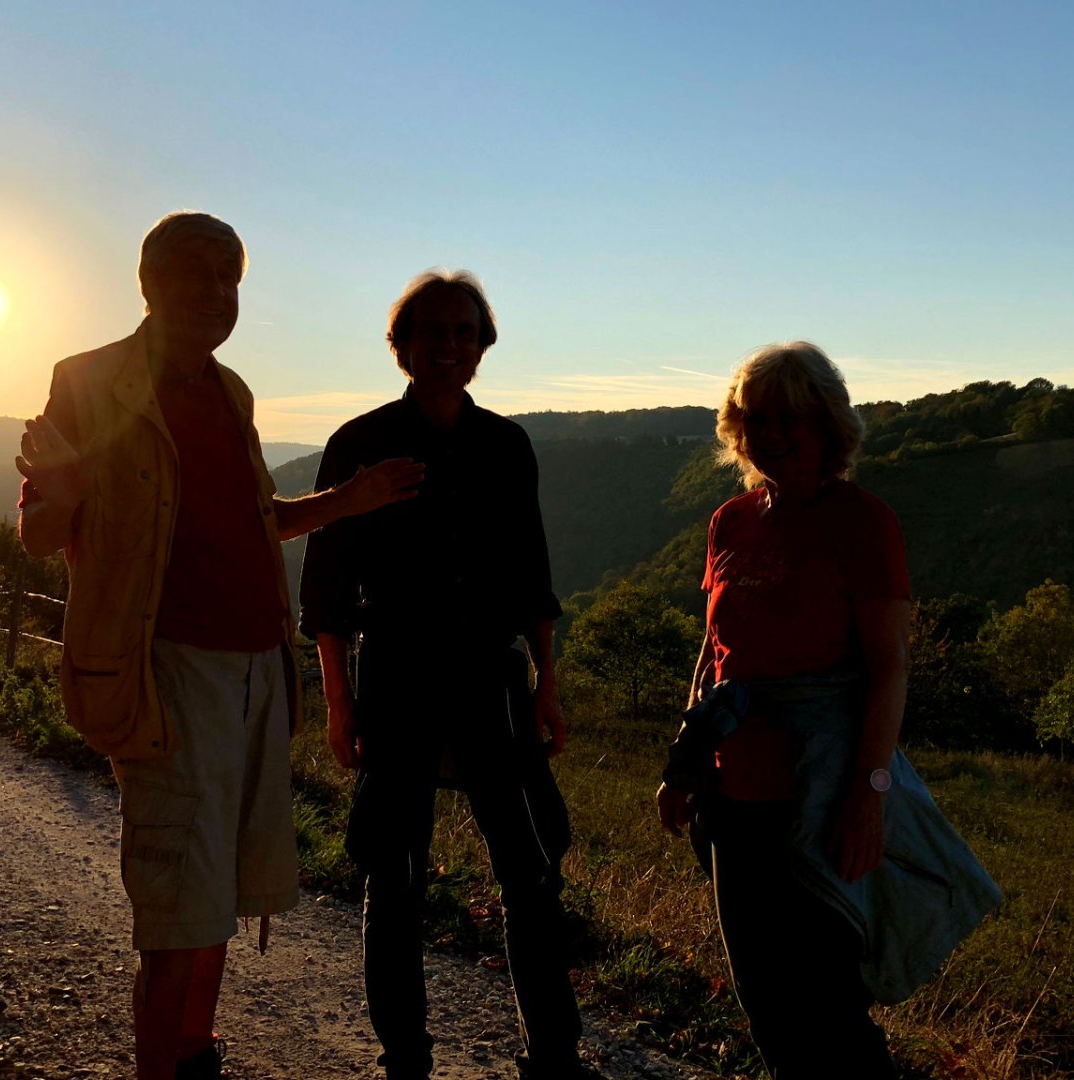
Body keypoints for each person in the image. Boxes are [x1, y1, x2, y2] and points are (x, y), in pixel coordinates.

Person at [14, 211, 423, 1080]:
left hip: (257, 674)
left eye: (229, 277)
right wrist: (61, 485)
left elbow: (255, 523)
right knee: (179, 909)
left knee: (223, 897)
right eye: (196, 273)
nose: (215, 292)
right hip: (168, 675)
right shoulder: (87, 381)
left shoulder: (231, 392)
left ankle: (195, 1057)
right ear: (150, 283)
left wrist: (347, 501)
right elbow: (40, 531)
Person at [654, 342, 1000, 1079]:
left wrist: (868, 798)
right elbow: (715, 654)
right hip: (732, 799)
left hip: (820, 796)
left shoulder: (862, 522)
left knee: (828, 1009)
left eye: (790, 418)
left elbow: (888, 668)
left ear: (827, 427)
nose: (771, 434)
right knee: (764, 1001)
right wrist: (684, 766)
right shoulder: (729, 522)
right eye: (755, 418)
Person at [298, 271, 593, 1080]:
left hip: (492, 679)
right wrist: (338, 701)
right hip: (394, 671)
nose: (449, 346)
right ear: (403, 345)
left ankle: (555, 1056)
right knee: (393, 876)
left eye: (464, 332)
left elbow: (532, 573)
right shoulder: (360, 443)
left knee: (531, 870)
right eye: (433, 331)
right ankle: (405, 1060)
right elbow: (326, 585)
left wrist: (548, 685)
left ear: (482, 345)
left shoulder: (507, 445)